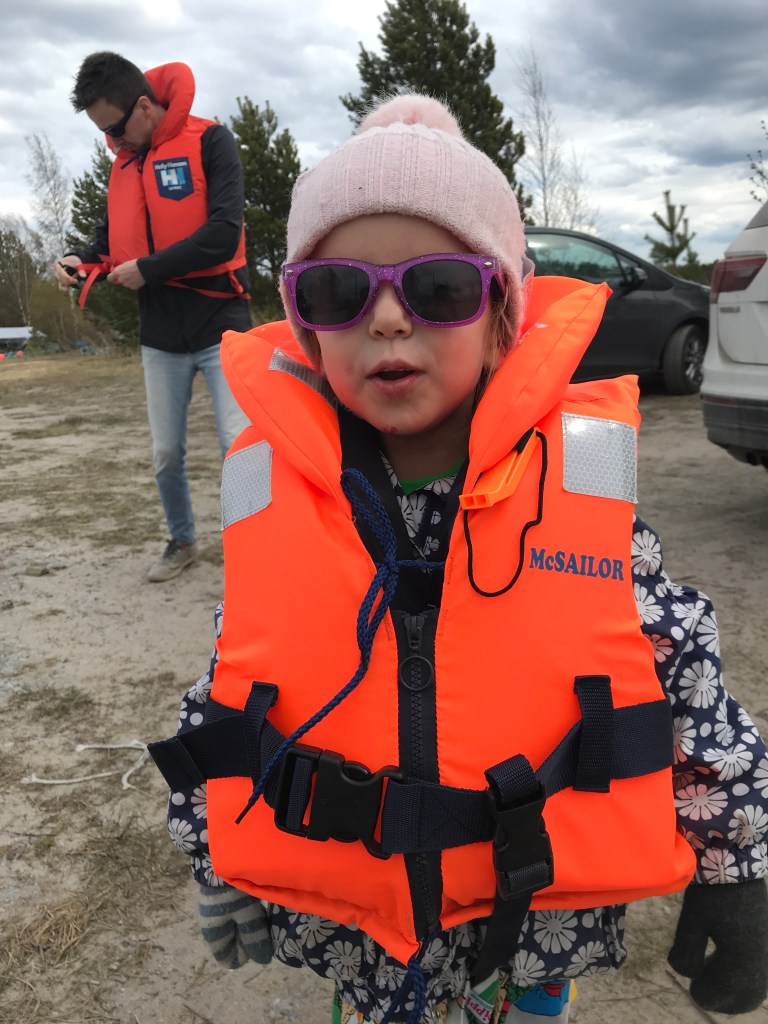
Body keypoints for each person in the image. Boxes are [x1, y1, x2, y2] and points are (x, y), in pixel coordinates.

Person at [149, 95, 768, 1023]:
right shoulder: (268, 489)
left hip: (534, 897)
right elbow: (233, 685)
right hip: (359, 915)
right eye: (336, 292)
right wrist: (215, 851)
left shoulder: (583, 476)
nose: (386, 320)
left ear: (503, 316)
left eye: (438, 289)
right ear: (306, 327)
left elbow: (682, 671)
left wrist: (736, 863)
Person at [54, 52, 251, 582]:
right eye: (103, 133)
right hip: (161, 335)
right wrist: (78, 260)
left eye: (115, 128)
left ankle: (254, 554)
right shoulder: (123, 165)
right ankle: (182, 541)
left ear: (144, 106)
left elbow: (223, 234)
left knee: (241, 447)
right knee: (165, 454)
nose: (112, 141)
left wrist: (150, 269)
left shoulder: (212, 141)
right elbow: (108, 245)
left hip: (222, 324)